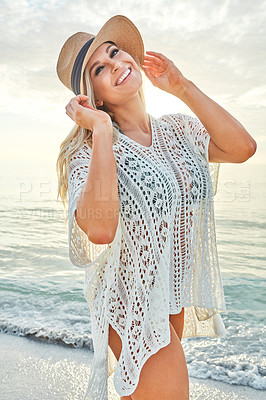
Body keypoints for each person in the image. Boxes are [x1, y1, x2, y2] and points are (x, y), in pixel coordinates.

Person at [56, 15, 257, 400]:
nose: (117, 63)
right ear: (92, 94)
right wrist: (100, 129)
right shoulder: (88, 152)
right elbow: (99, 230)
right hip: (129, 305)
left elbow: (242, 147)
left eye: (116, 53)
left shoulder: (179, 130)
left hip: (171, 295)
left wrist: (181, 86)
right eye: (101, 67)